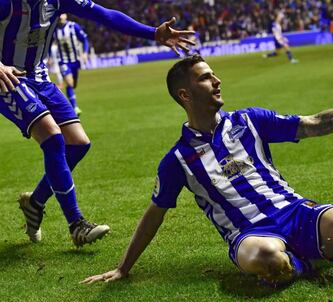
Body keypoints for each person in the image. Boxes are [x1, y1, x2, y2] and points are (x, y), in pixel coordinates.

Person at [81, 55, 333, 285]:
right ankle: (317, 259)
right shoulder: (178, 160)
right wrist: (124, 268)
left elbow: (314, 124)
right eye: (205, 78)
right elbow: (154, 213)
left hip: (296, 212)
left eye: (213, 74)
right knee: (270, 259)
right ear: (185, 94)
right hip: (251, 236)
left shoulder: (250, 121)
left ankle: (313, 257)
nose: (217, 80)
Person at [0, 0, 194, 247]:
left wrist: (153, 33)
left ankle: (35, 203)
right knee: (52, 137)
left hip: (39, 77)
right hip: (8, 79)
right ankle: (76, 224)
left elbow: (105, 15)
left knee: (79, 143)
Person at [53, 14, 89, 116]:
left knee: (73, 84)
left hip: (75, 61)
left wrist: (85, 52)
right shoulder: (54, 29)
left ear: (66, 15)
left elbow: (85, 39)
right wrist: (50, 57)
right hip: (63, 61)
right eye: (58, 14)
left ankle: (73, 104)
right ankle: (75, 107)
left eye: (62, 14)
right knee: (69, 83)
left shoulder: (74, 26)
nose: (60, 16)